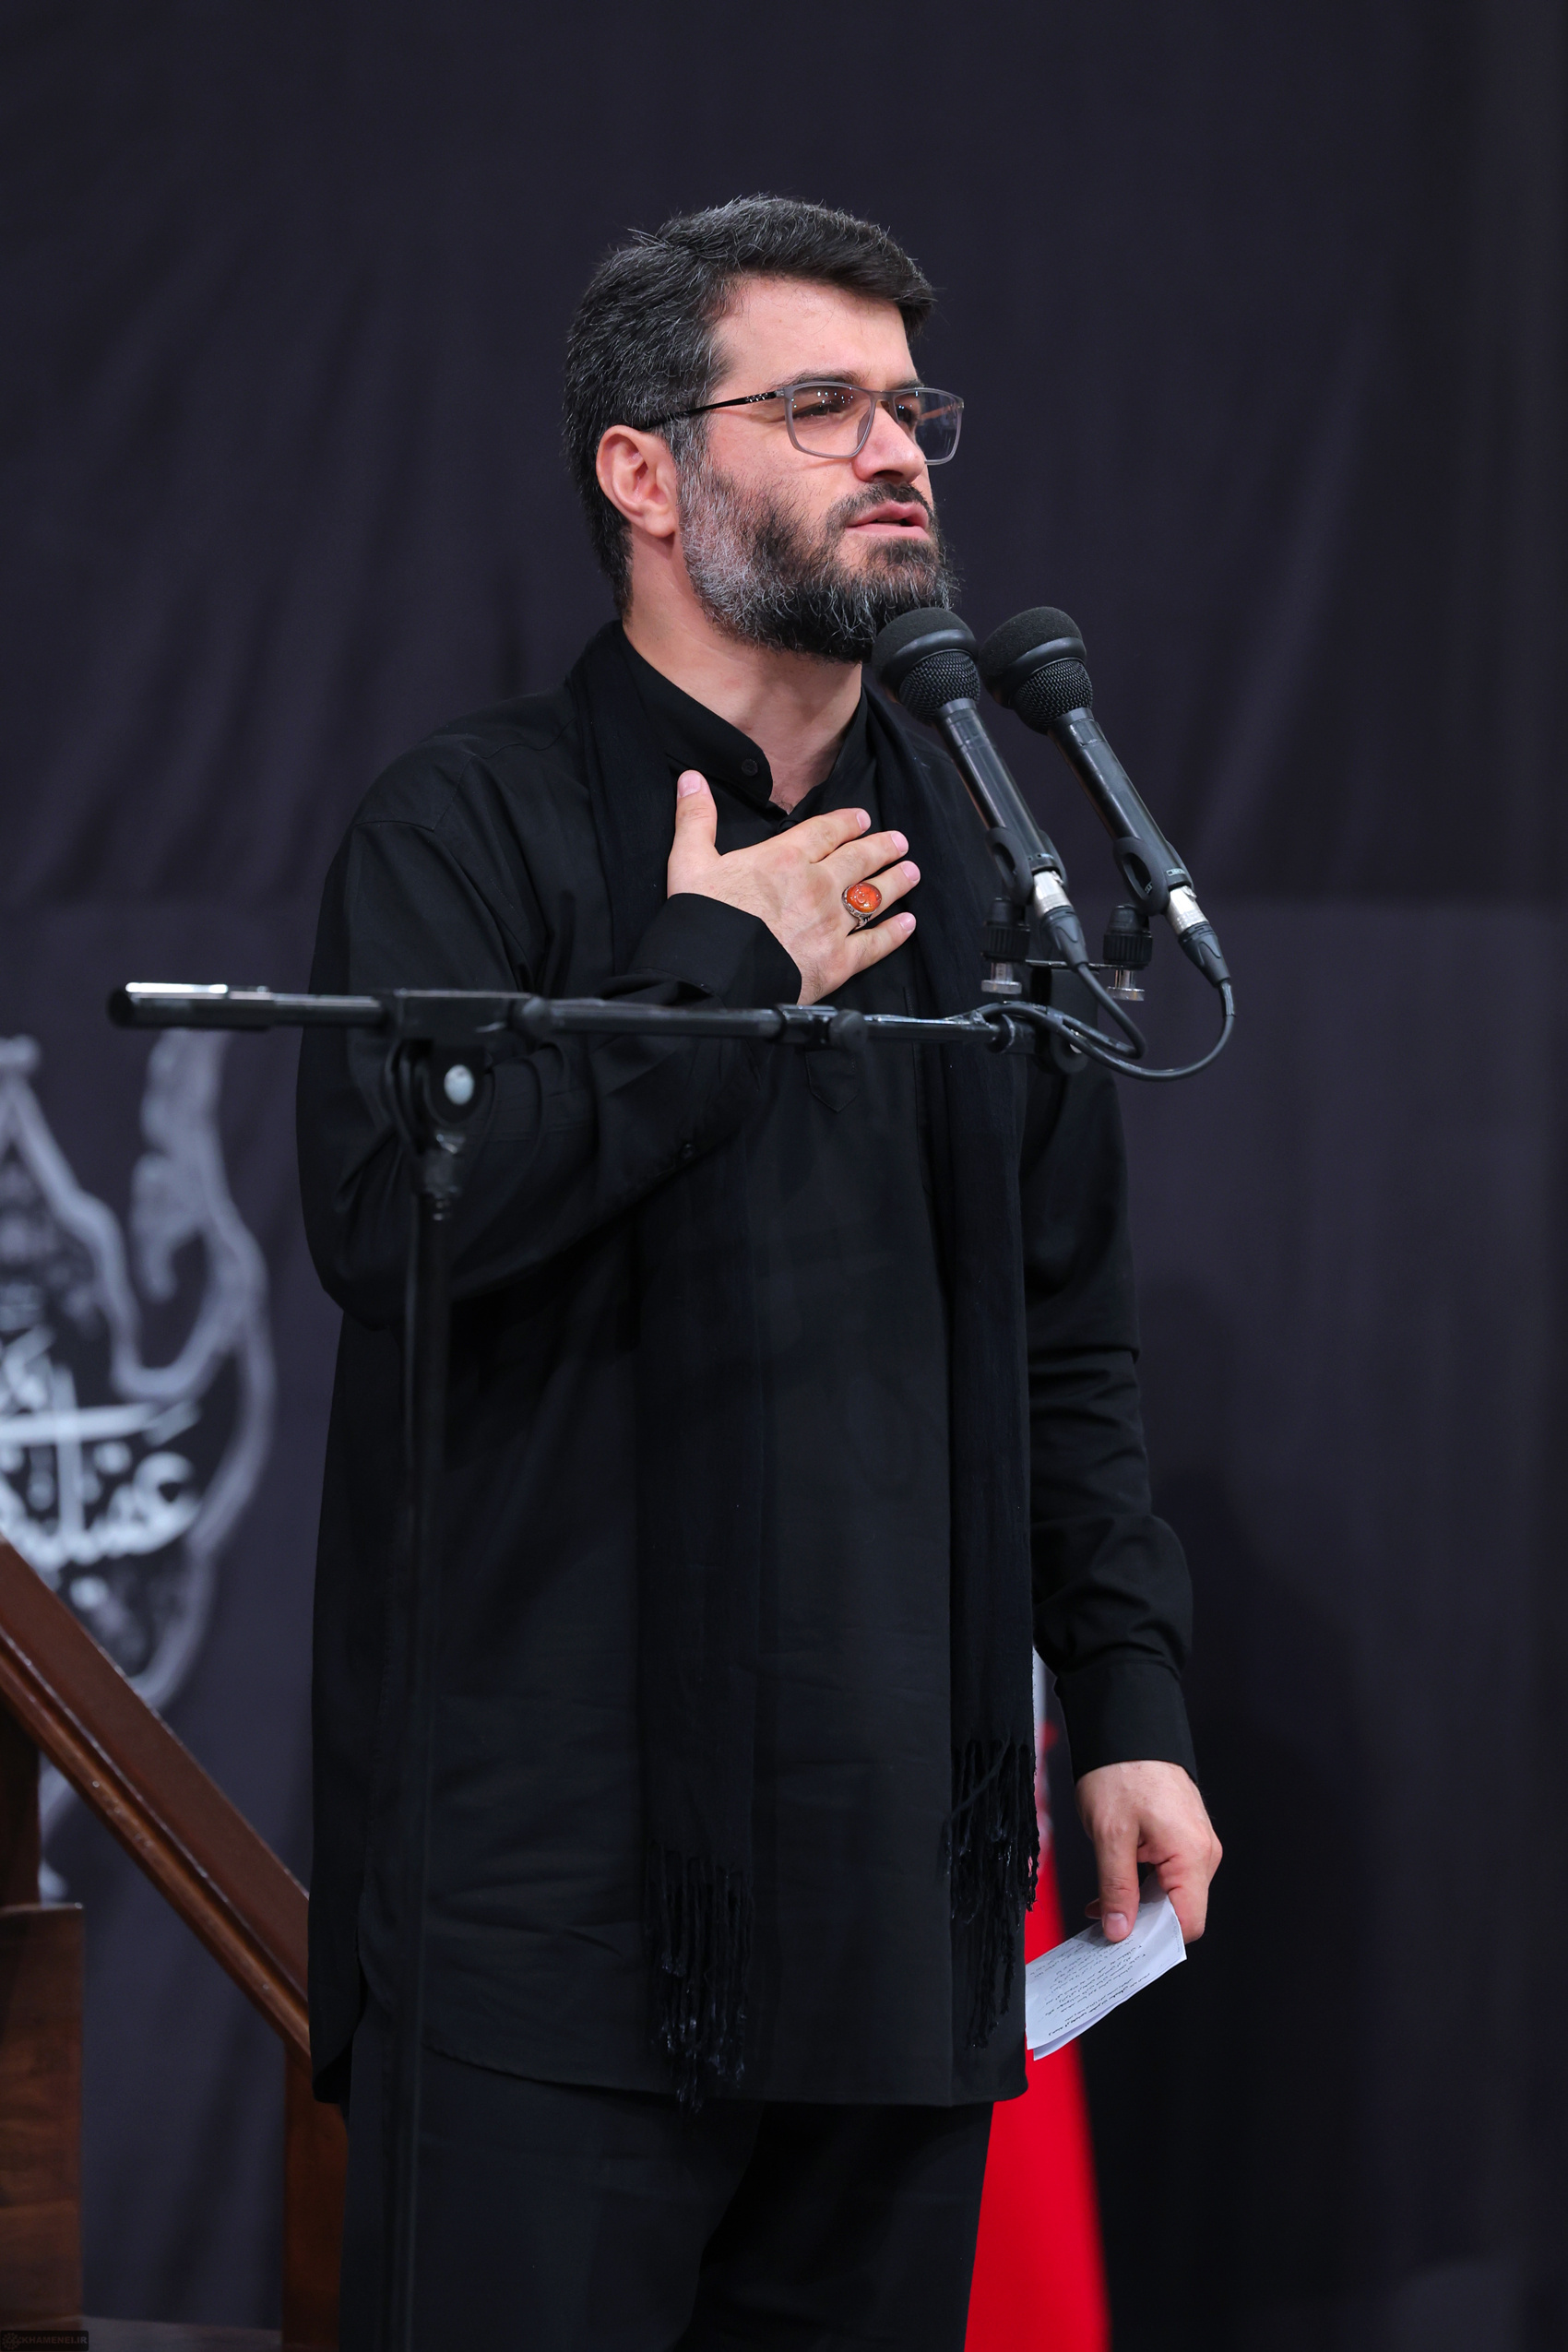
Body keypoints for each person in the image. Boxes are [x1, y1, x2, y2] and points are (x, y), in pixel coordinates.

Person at [298, 194, 1222, 2352]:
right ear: (644, 473)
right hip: (544, 1922)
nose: (894, 451)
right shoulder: (470, 827)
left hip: (893, 1912)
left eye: (909, 409)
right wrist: (714, 974)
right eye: (818, 406)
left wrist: (1128, 1704)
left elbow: (1066, 1344)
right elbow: (394, 1224)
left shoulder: (986, 871)